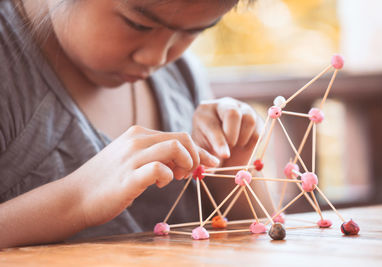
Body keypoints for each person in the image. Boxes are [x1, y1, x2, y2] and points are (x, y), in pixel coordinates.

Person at [0, 0, 260, 248]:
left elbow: (256, 240)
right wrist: (77, 199)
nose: (156, 58)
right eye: (139, 24)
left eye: (194, 31)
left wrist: (233, 165)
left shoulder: (181, 77)